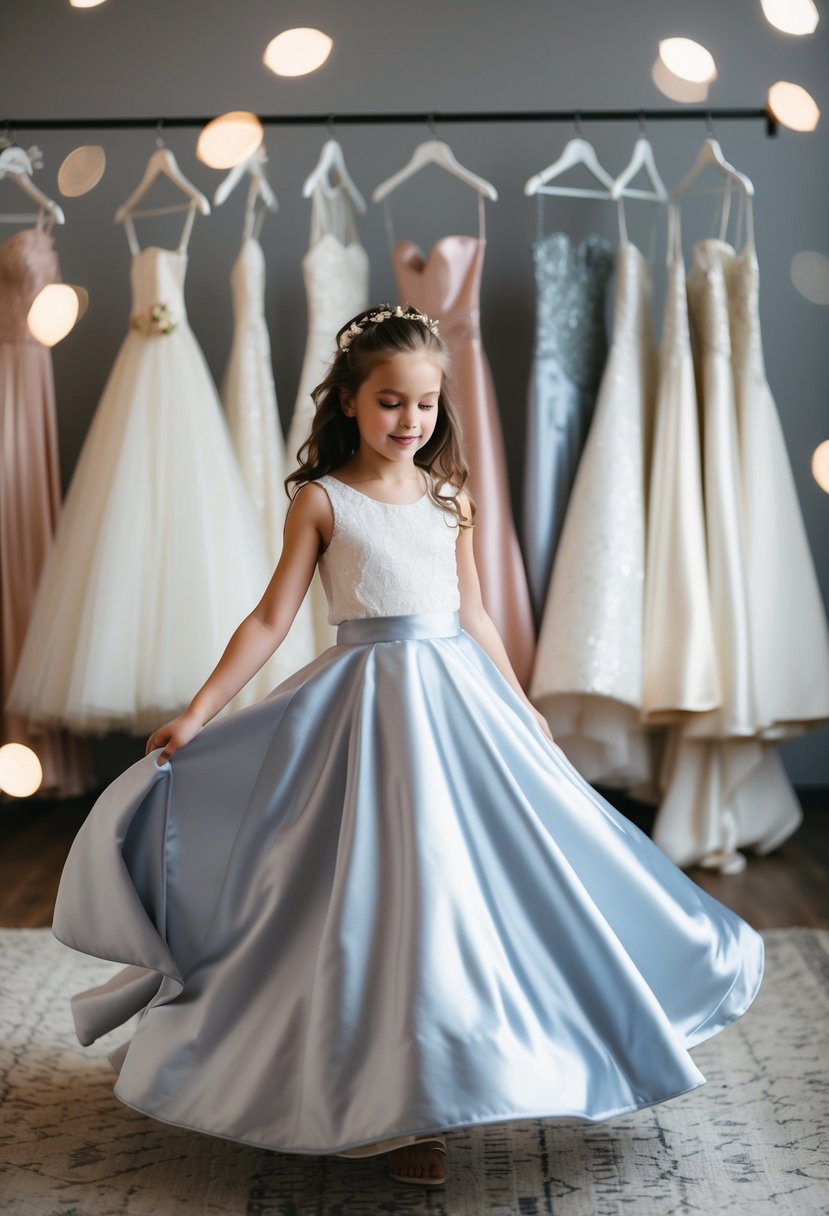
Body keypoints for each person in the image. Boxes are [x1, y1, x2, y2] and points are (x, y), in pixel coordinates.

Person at [51, 304, 764, 1190]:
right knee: (373, 903)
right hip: (361, 714)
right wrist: (199, 713)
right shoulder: (322, 500)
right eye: (391, 403)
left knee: (485, 890)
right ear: (349, 400)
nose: (410, 422)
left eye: (424, 405)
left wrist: (521, 707)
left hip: (457, 706)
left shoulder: (448, 495)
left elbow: (472, 614)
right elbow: (272, 618)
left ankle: (503, 1061)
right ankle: (389, 1107)